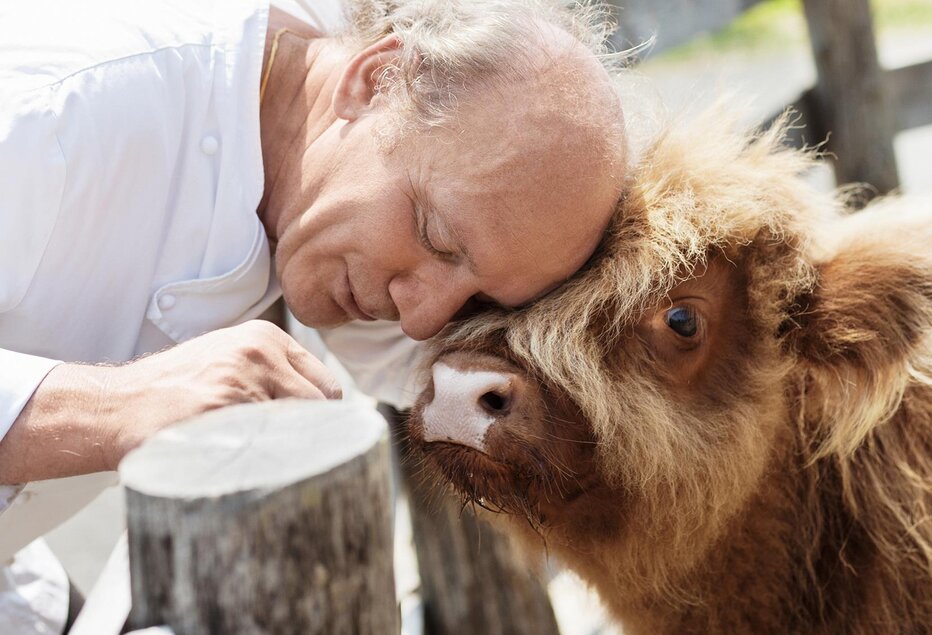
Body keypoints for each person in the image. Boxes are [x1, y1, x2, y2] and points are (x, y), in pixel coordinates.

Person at [0, 0, 628, 631]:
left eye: (475, 300)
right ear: (373, 81)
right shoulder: (49, 115)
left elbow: (431, 376)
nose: (419, 319)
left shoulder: (336, 136)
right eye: (434, 235)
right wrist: (110, 405)